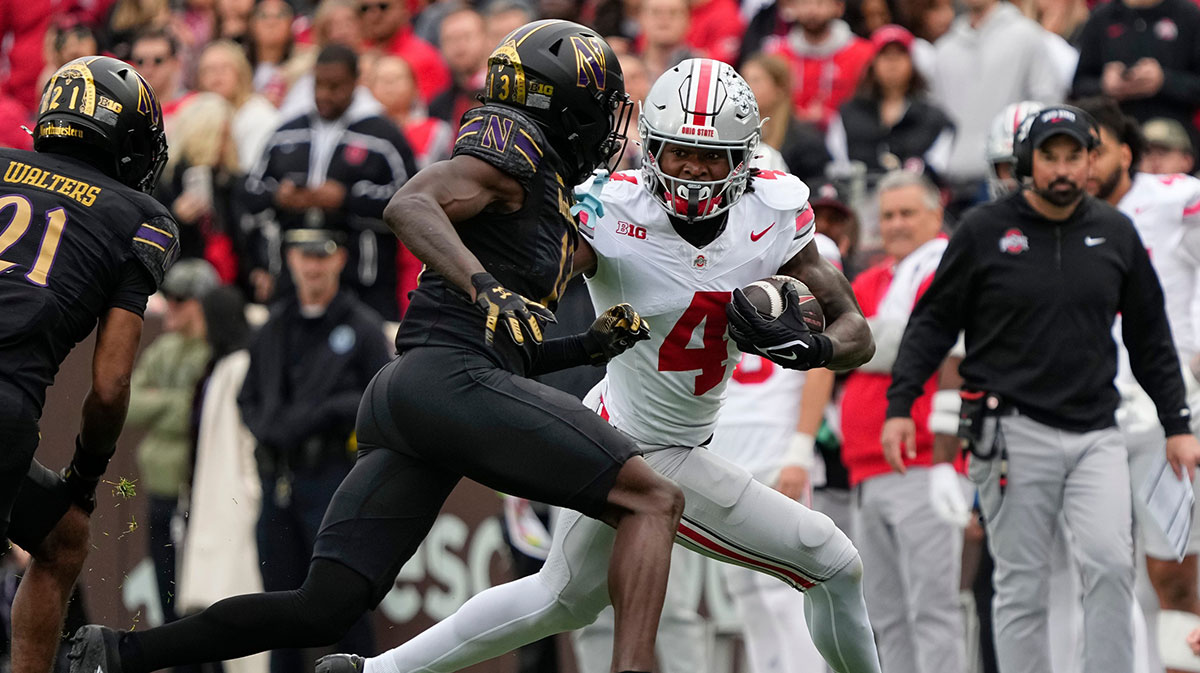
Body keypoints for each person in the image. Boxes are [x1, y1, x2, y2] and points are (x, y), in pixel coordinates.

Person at [67, 20, 684, 673]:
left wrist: (585, 345)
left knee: (323, 606)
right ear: (563, 106)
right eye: (598, 108)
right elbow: (410, 203)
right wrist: (481, 286)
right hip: (447, 380)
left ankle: (114, 652)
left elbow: (511, 351)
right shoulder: (510, 156)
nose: (609, 127)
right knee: (653, 497)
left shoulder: (547, 204)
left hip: (419, 393)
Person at [318, 56, 882, 673]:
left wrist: (816, 348)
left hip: (655, 433)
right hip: (645, 445)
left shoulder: (770, 211)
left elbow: (855, 329)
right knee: (831, 560)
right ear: (652, 150)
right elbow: (516, 254)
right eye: (678, 153)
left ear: (743, 158)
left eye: (712, 156)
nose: (693, 169)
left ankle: (372, 671)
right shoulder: (611, 212)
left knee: (558, 600)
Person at [881, 104, 1200, 673]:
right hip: (1011, 430)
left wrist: (1178, 425)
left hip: (1096, 431)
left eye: (1073, 156)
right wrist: (901, 405)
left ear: (1090, 161)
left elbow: (1151, 337)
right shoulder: (984, 230)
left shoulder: (1115, 230)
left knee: (1108, 565)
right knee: (1023, 585)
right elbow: (932, 324)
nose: (1061, 169)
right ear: (1028, 162)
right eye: (1049, 156)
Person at [1, 55, 175, 673]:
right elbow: (110, 385)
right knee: (70, 527)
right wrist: (86, 475)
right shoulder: (138, 216)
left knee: (61, 539)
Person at [1075, 96, 1200, 673]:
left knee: (1174, 568)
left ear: (1127, 152)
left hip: (1163, 413)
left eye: (1096, 148)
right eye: (1074, 151)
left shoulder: (1173, 199)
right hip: (1084, 414)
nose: (1085, 163)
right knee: (1095, 573)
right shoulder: (1055, 218)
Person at [241, 229, 389, 673]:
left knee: (340, 602)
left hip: (332, 479)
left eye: (321, 256)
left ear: (340, 259)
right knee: (278, 605)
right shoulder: (275, 325)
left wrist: (326, 412)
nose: (312, 266)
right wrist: (268, 428)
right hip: (278, 480)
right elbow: (247, 397)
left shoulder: (361, 326)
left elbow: (380, 399)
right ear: (289, 259)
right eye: (303, 256)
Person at [841, 170, 967, 673]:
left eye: (906, 213)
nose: (894, 225)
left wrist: (867, 342)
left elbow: (923, 343)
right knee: (885, 615)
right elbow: (843, 346)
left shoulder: (947, 268)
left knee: (932, 609)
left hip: (921, 461)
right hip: (865, 467)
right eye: (887, 215)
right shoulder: (870, 280)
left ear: (936, 216)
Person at [242, 44, 417, 319]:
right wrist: (280, 196)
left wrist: (346, 198)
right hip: (291, 278)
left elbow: (411, 202)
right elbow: (249, 193)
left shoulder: (384, 135)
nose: (324, 94)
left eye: (335, 86)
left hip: (363, 281)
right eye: (319, 85)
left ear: (355, 83)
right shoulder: (286, 132)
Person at [125, 259, 218, 626]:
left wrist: (162, 400)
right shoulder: (165, 349)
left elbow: (197, 416)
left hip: (199, 496)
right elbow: (127, 405)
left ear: (200, 303)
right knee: (167, 596)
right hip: (160, 489)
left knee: (198, 602)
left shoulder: (214, 351)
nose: (171, 306)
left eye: (180, 298)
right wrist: (173, 400)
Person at [929, 0, 1063, 211]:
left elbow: (1048, 105)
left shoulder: (1028, 36)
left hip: (1008, 178)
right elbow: (937, 119)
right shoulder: (944, 50)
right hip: (954, 184)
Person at [826, 25, 954, 181]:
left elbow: (938, 166)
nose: (892, 63)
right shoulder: (848, 114)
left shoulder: (933, 117)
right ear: (873, 63)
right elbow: (838, 164)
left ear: (912, 62)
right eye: (885, 55)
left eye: (899, 55)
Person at [1071, 0, 1200, 153]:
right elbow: (1078, 86)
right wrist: (1104, 85)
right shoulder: (1102, 16)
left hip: (1173, 143)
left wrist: (1163, 81)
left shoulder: (1188, 15)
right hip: (1117, 140)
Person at [740, 53, 829, 185]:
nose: (745, 88)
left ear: (779, 88)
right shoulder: (734, 132)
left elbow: (815, 189)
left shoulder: (806, 139)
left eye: (756, 81)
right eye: (743, 80)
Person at [357, 0, 448, 104]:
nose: (373, 15)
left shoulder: (425, 57)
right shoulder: (356, 55)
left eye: (383, 7)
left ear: (404, 11)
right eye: (364, 9)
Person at [427, 7, 488, 130]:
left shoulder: (505, 93)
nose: (459, 46)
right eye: (450, 39)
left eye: (466, 36)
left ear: (486, 38)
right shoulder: (438, 106)